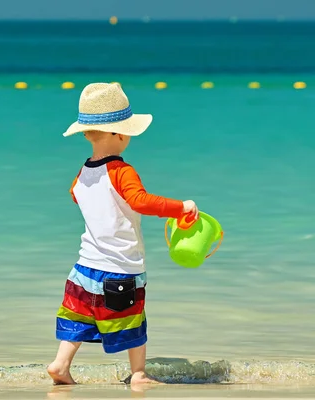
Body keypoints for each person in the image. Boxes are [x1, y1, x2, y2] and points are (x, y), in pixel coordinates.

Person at [47, 83, 198, 386]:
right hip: (120, 270)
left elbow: (75, 194)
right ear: (120, 134)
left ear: (87, 134)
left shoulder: (84, 171)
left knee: (77, 319)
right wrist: (182, 207)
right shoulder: (121, 170)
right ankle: (139, 374)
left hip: (83, 269)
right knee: (133, 322)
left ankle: (61, 365)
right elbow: (141, 201)